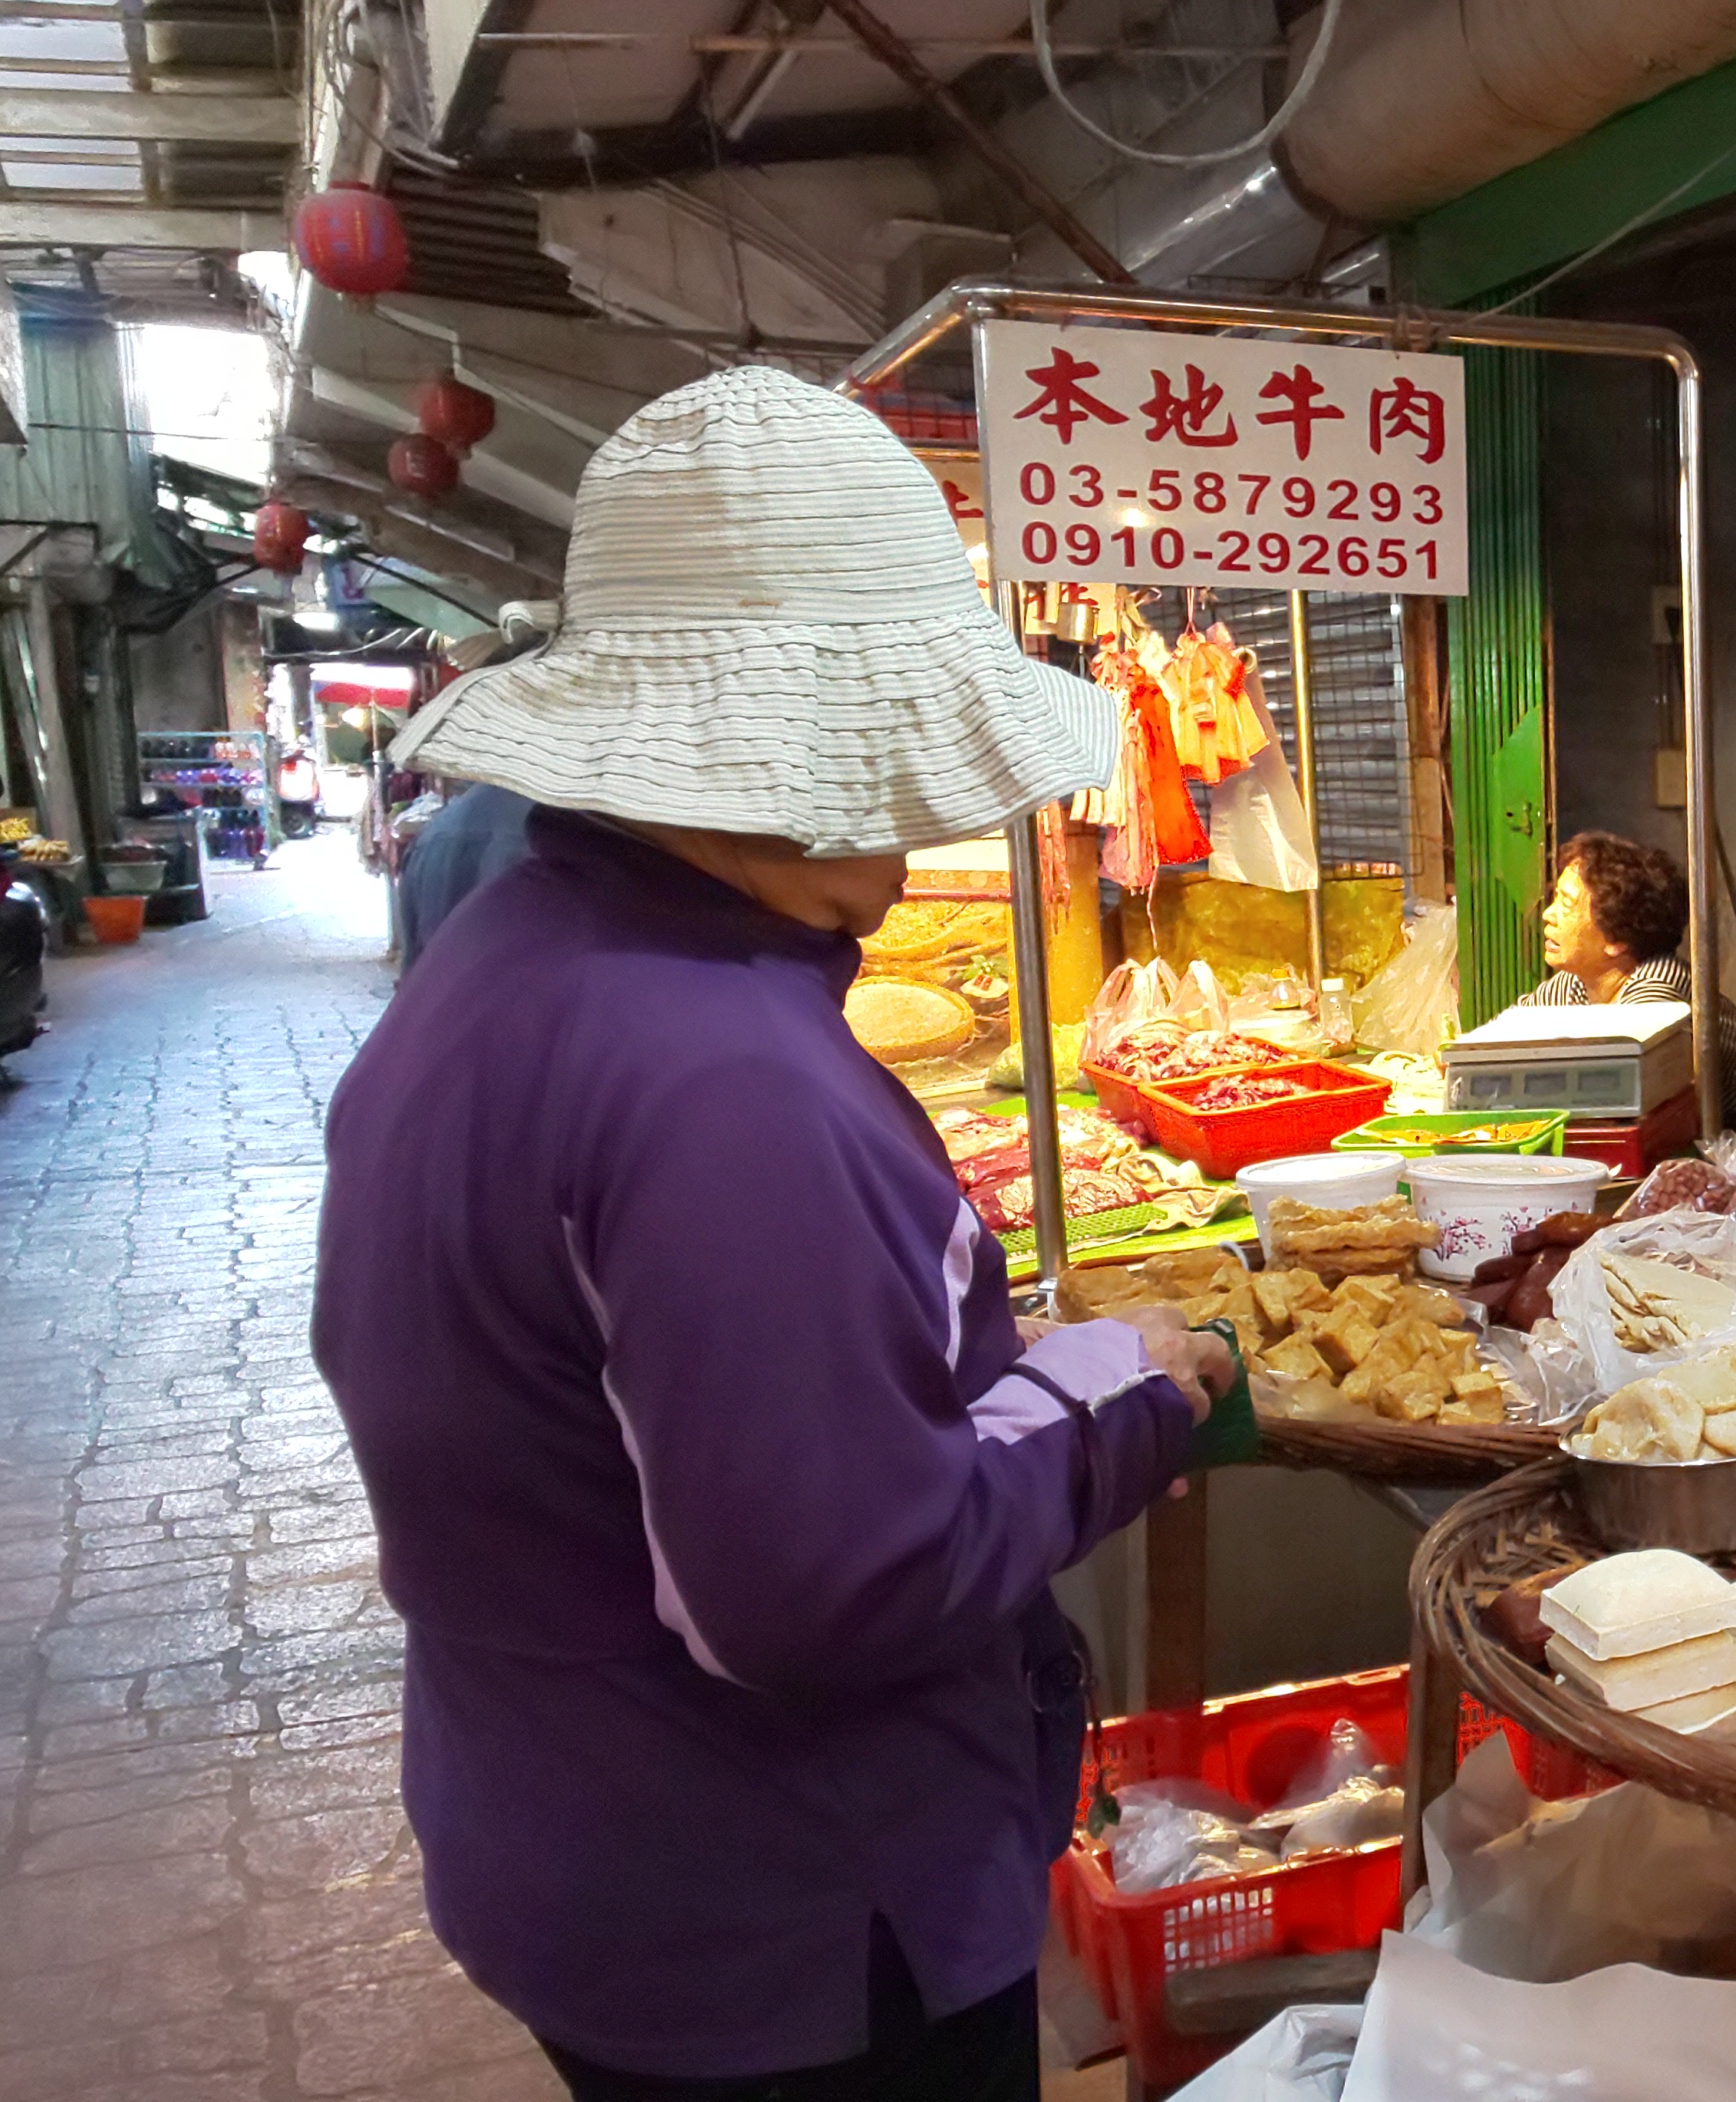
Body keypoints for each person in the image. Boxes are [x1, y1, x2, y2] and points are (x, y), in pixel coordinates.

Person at [314, 366, 1232, 2101]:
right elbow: (824, 1582)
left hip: (578, 1848)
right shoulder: (722, 1080)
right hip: (788, 1913)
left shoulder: (498, 976)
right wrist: (1124, 1404)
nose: (917, 827)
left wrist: (963, 1370)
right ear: (805, 765)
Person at [1517, 828, 1736, 1142]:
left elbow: (1620, 1097)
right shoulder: (1572, 985)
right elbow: (1510, 1038)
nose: (1549, 916)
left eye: (1566, 905)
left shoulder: (1658, 992)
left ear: (1616, 939)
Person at [394, 778, 534, 970]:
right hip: (514, 986)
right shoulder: (541, 834)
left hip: (441, 985)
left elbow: (412, 952)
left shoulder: (432, 835)